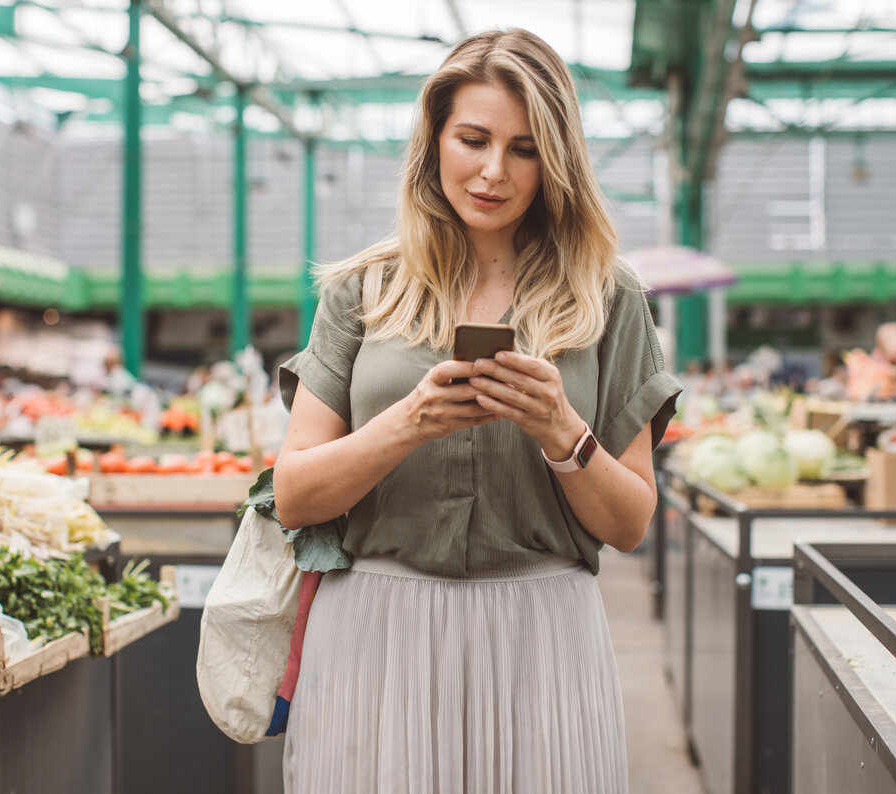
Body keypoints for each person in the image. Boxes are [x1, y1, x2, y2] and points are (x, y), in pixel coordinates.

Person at [273, 29, 681, 793]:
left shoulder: (608, 296)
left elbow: (629, 524)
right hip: (376, 638)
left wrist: (562, 430)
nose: (494, 171)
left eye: (525, 149)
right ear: (433, 140)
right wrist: (408, 422)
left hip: (542, 639)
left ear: (555, 161)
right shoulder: (363, 291)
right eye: (473, 139)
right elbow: (294, 494)